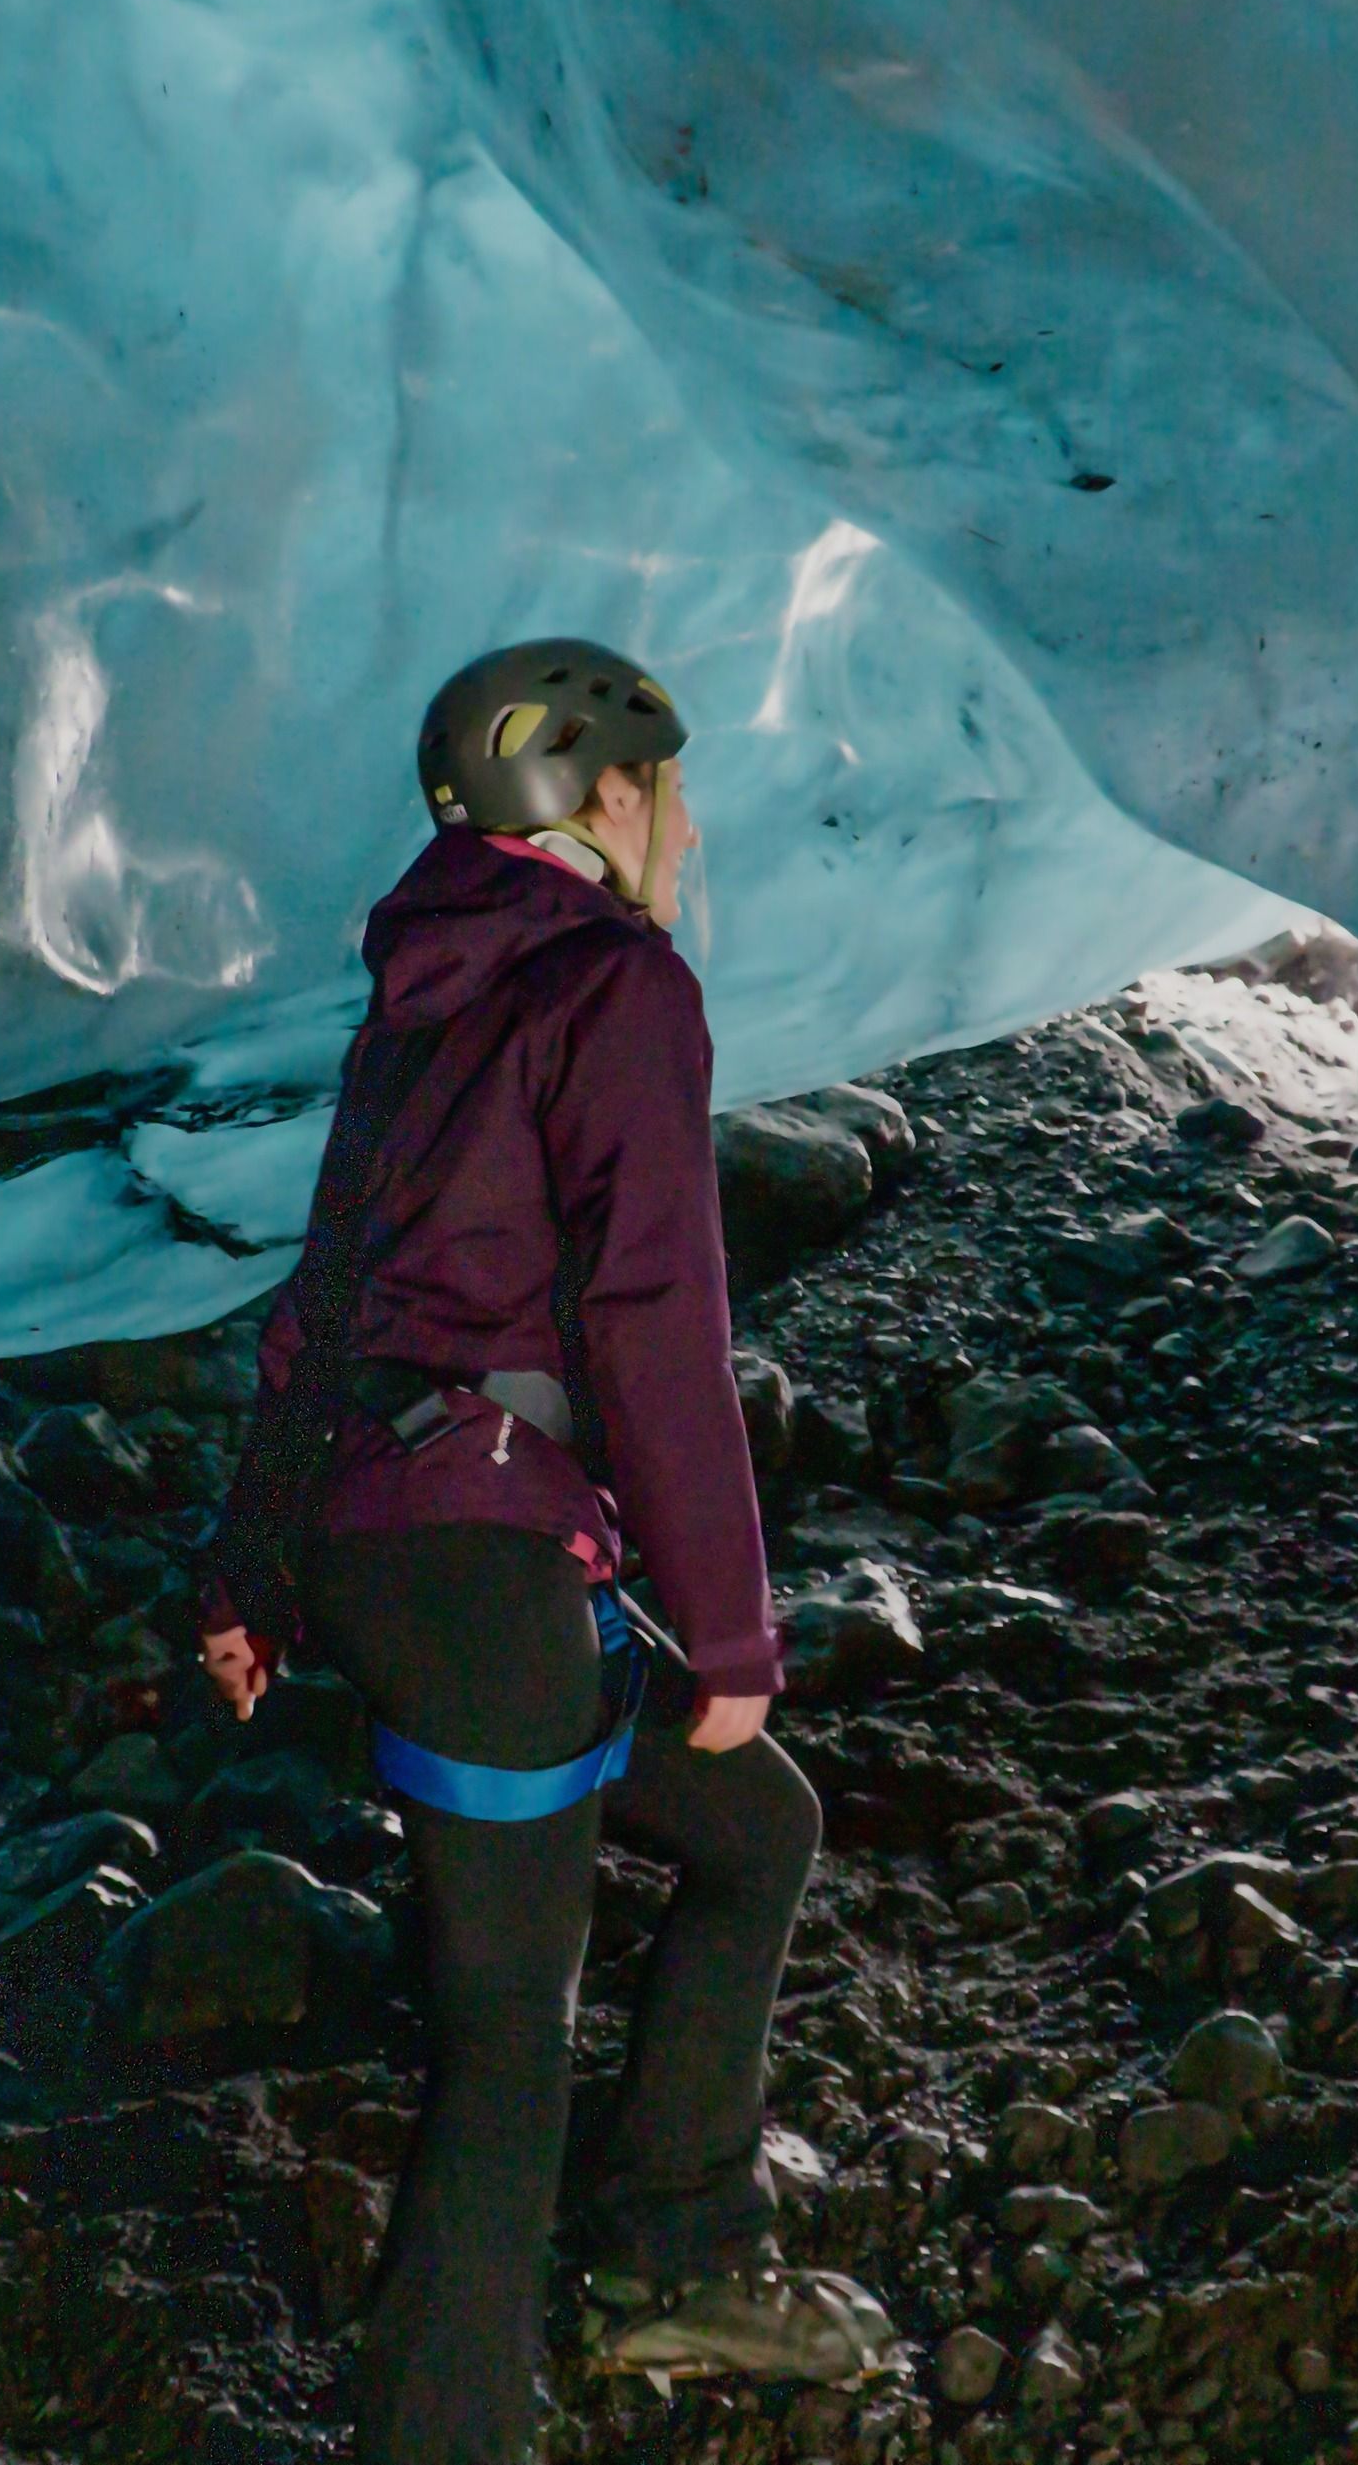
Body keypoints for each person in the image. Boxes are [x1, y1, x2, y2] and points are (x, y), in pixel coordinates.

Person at [199, 641, 898, 2463]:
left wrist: (253, 1575)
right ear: (598, 800)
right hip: (483, 1575)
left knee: (757, 1828)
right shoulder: (616, 986)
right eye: (668, 785)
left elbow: (323, 1305)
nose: (687, 825)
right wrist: (735, 1640)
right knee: (507, 2046)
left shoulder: (425, 993)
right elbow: (657, 1318)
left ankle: (675, 2237)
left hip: (410, 1547)